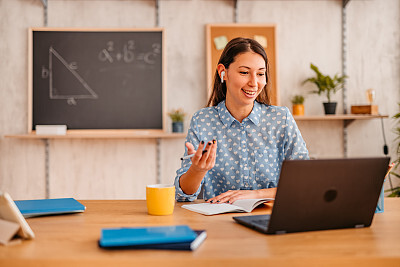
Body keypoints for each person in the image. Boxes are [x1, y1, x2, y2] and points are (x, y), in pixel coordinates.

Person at [174, 37, 309, 204]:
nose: (254, 82)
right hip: (220, 223)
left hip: (270, 219)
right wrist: (197, 170)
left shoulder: (281, 118)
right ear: (223, 72)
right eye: (244, 72)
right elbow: (184, 195)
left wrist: (255, 195)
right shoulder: (202, 120)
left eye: (260, 74)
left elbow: (304, 182)